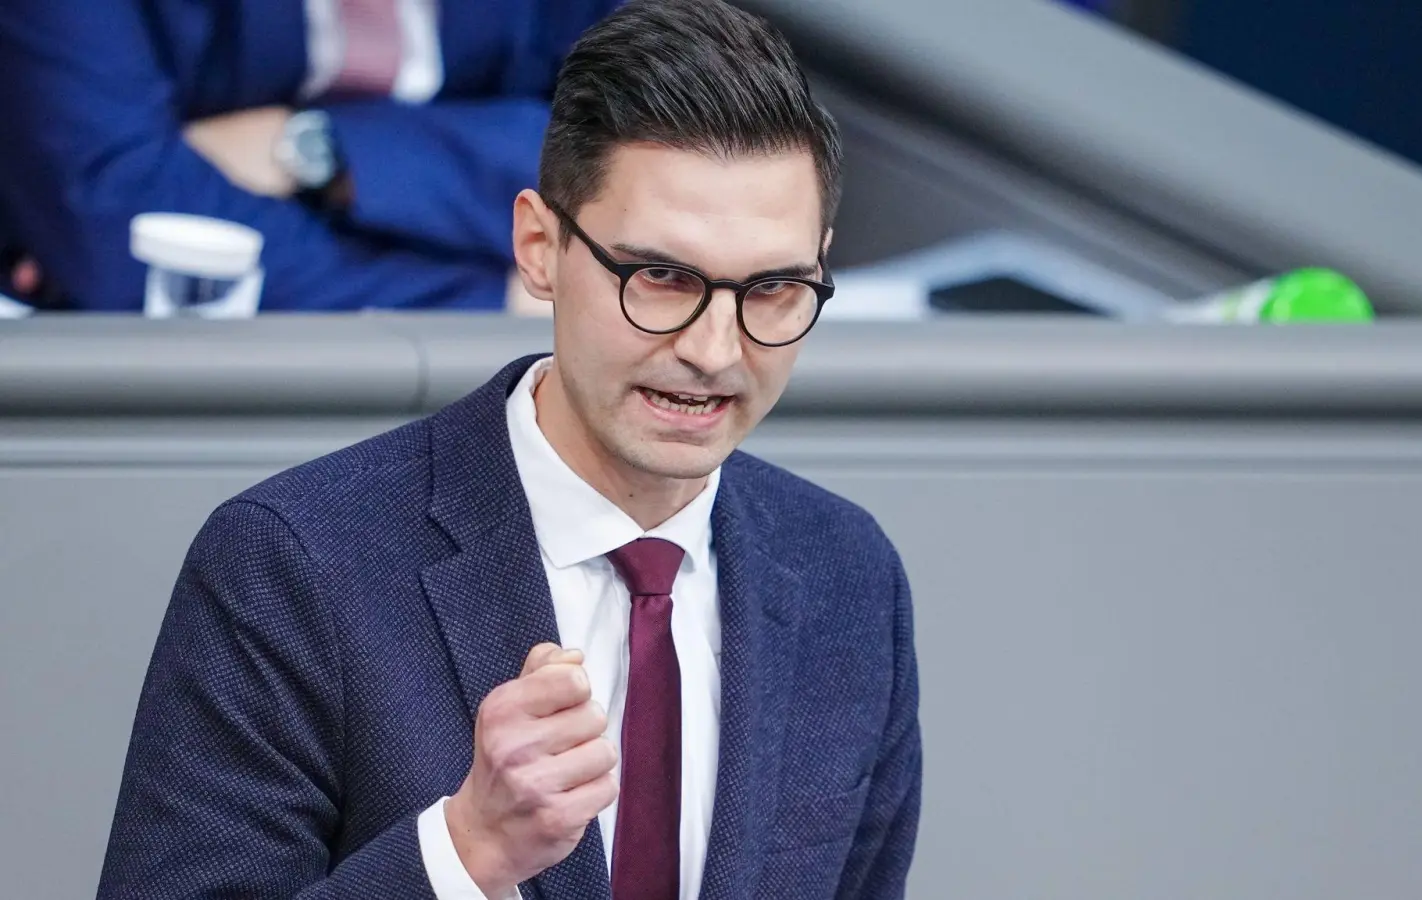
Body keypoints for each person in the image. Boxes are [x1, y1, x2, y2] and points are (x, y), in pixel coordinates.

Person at [95, 1, 922, 897]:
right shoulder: (291, 563)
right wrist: (464, 855)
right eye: (661, 277)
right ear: (539, 247)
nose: (714, 350)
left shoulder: (849, 577)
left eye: (772, 289)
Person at [0, 0, 617, 312]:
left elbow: (655, 159)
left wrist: (317, 150)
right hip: (168, 410)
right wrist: (504, 293)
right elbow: (124, 236)